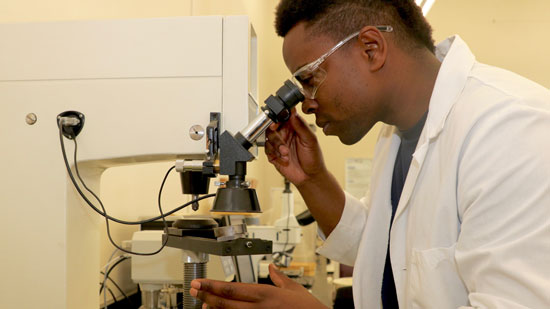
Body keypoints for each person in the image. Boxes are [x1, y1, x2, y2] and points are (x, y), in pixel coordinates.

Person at [190, 0, 550, 308]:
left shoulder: (510, 130)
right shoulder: (396, 135)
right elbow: (385, 251)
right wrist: (312, 181)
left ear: (370, 49)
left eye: (310, 79)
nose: (307, 103)